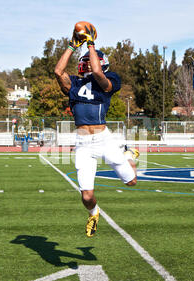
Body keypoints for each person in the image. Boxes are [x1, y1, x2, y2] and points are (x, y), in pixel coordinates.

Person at [54, 25, 139, 238]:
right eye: (85, 62)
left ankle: (128, 155)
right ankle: (94, 213)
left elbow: (99, 73)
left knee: (131, 182)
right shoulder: (74, 83)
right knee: (86, 196)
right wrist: (72, 46)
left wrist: (91, 43)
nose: (87, 65)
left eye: (89, 61)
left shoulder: (109, 80)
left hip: (104, 140)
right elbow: (58, 71)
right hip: (83, 143)